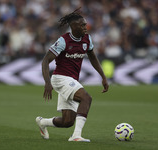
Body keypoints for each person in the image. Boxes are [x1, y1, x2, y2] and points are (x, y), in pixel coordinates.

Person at [36, 8, 109, 142]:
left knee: (67, 121)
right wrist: (47, 82)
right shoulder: (63, 41)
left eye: (85, 24)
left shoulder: (87, 39)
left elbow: (93, 57)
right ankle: (76, 136)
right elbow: (45, 60)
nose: (85, 27)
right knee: (86, 98)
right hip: (60, 78)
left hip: (71, 80)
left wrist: (103, 76)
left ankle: (43, 122)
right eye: (82, 25)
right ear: (73, 26)